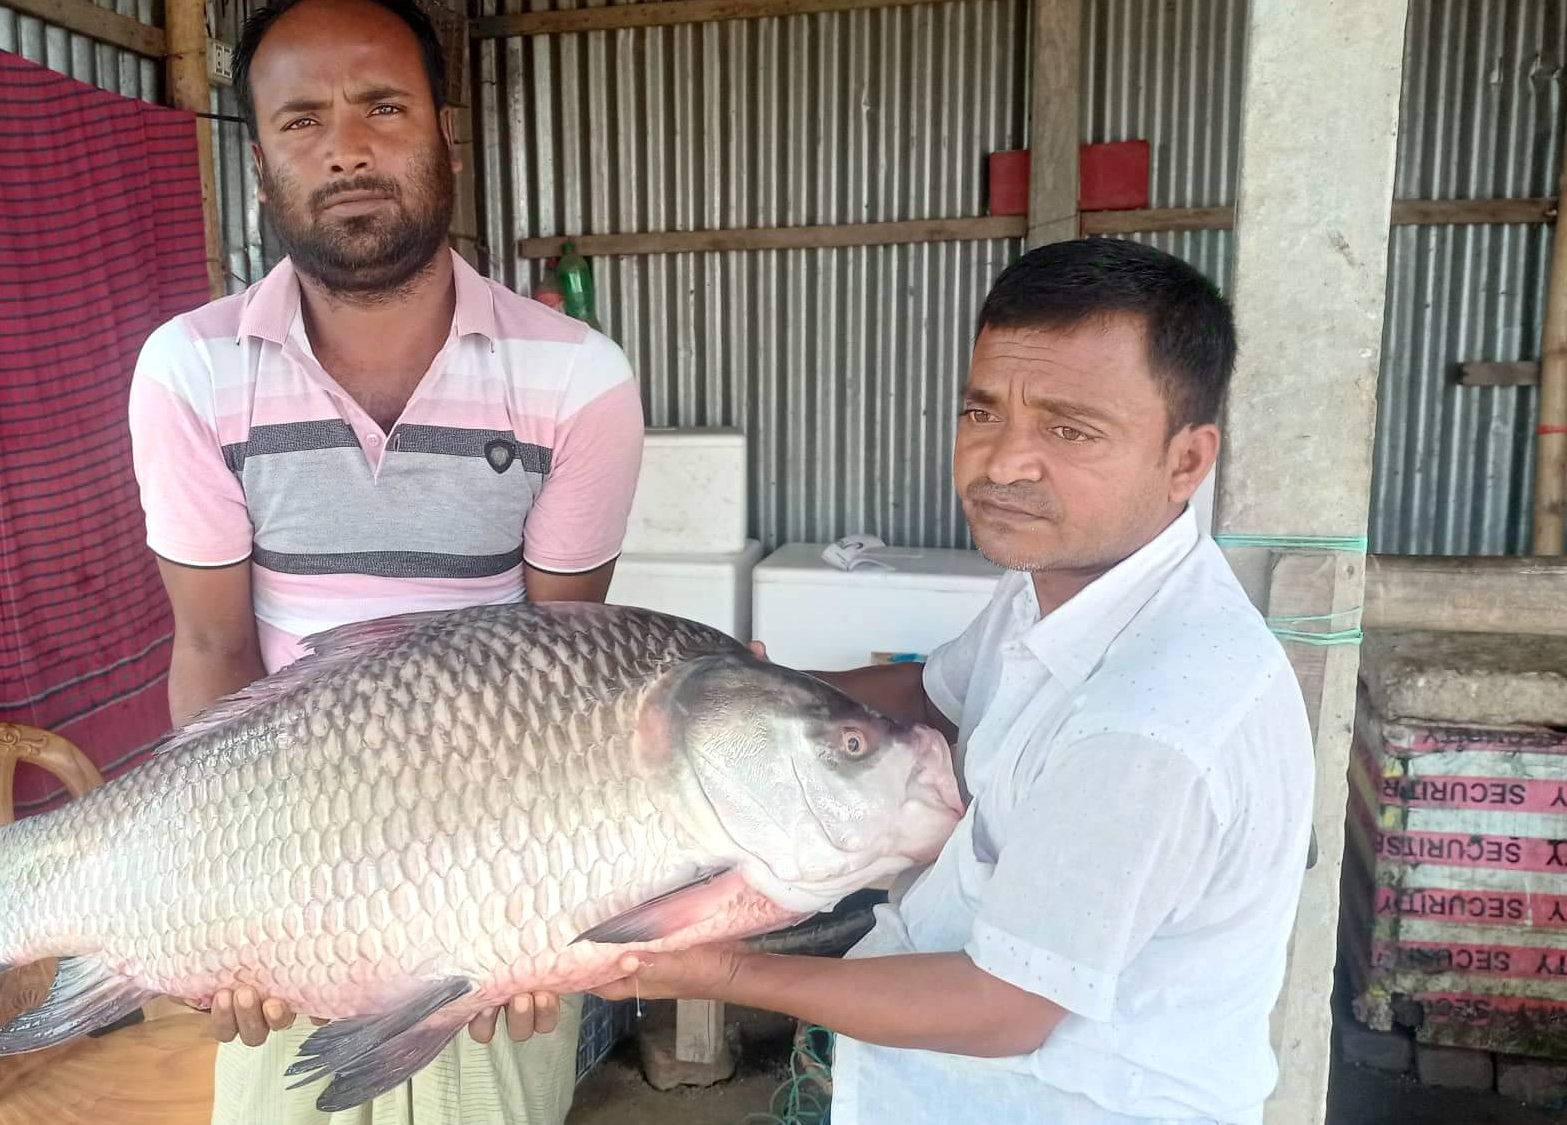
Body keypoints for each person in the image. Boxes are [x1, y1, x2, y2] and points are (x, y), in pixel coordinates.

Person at [588, 238, 1316, 1125]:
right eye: (983, 413)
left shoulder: (1152, 721)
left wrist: (724, 971)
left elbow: (1002, 1007)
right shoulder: (1055, 584)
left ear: (1186, 461)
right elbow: (933, 695)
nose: (1004, 462)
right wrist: (743, 697)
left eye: (1069, 428)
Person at [124, 0, 644, 1120]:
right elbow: (213, 646)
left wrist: (534, 912)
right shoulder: (189, 372)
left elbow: (565, 679)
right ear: (259, 162)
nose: (346, 147)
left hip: (491, 873)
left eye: (382, 106)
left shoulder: (577, 380)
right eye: (301, 120)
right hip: (283, 853)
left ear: (444, 132)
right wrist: (231, 902)